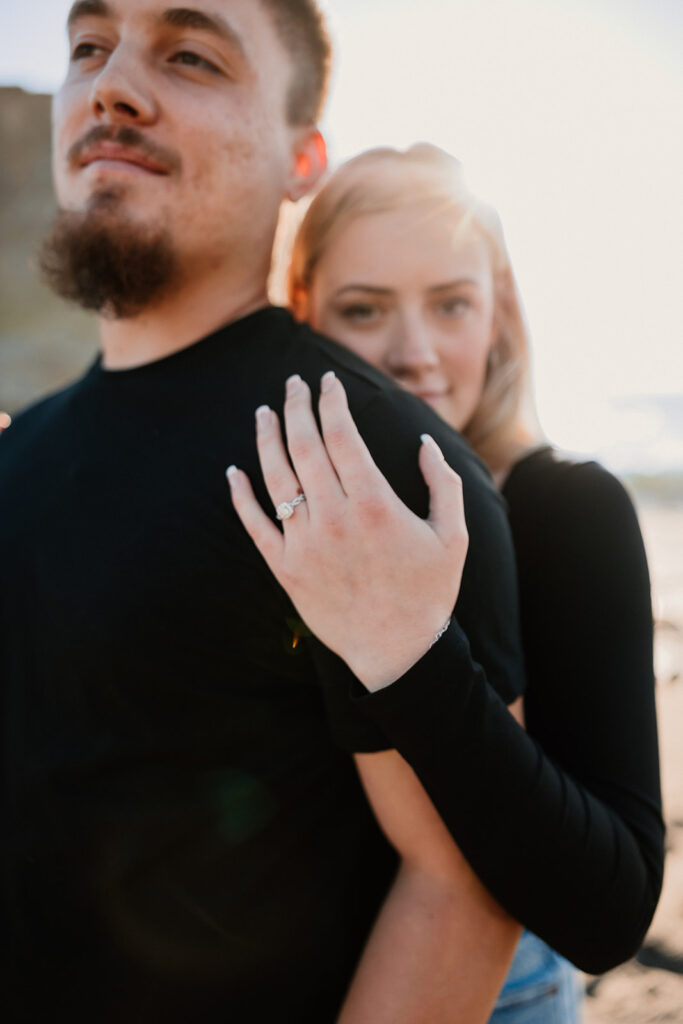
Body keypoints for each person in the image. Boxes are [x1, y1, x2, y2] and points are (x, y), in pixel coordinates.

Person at [0, 3, 531, 1022]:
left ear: (303, 157)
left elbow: (461, 889)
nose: (109, 85)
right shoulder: (23, 449)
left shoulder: (361, 458)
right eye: (86, 47)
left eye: (191, 55)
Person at [229, 144, 665, 1021]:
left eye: (452, 304)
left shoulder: (564, 509)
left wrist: (411, 649)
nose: (413, 353)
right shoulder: (259, 497)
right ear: (302, 313)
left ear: (498, 315)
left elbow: (610, 907)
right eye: (364, 309)